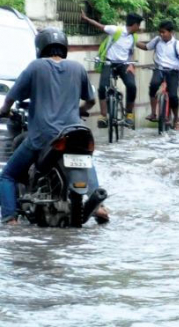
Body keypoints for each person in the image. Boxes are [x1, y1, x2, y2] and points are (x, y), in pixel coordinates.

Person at [0, 27, 108, 225]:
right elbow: (91, 101)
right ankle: (99, 207)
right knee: (84, 157)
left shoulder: (35, 67)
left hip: (43, 135)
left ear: (40, 48)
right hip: (76, 133)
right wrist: (80, 110)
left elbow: (11, 98)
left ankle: (9, 219)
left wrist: (4, 111)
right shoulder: (78, 68)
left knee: (7, 175)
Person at [81, 11, 143, 129]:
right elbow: (99, 26)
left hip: (124, 64)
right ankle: (103, 116)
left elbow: (131, 52)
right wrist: (86, 18)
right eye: (138, 25)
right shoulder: (116, 30)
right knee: (102, 87)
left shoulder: (134, 37)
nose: (139, 28)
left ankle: (129, 115)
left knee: (132, 86)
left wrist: (131, 64)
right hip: (109, 62)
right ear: (134, 24)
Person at [136, 20, 179, 130]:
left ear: (171, 32)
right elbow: (146, 47)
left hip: (173, 70)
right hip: (159, 69)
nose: (161, 34)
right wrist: (134, 42)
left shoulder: (176, 43)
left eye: (163, 32)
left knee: (173, 96)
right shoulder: (157, 40)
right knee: (153, 85)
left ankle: (176, 119)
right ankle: (153, 113)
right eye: (160, 32)